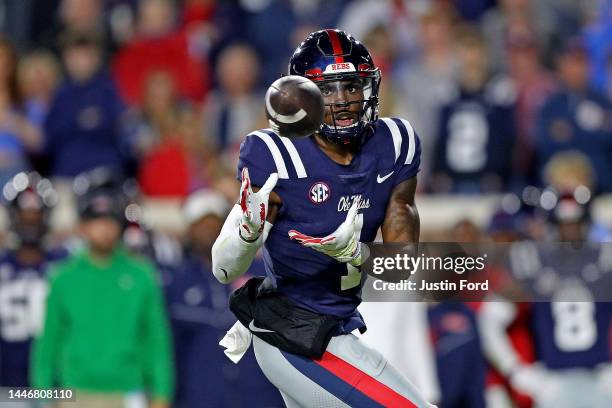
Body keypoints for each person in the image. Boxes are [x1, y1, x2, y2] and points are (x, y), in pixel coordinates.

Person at [211, 29, 436, 407]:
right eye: (328, 89)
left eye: (352, 86)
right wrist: (249, 230)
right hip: (294, 335)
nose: (344, 99)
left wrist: (357, 256)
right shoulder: (277, 154)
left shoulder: (394, 142)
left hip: (336, 330)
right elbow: (223, 268)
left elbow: (400, 265)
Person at [31, 186, 174, 408]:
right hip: (74, 393)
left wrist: (161, 395)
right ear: (82, 227)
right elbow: (47, 345)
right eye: (96, 221)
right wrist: (43, 399)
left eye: (110, 221)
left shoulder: (141, 275)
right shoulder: (63, 278)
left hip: (128, 392)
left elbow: (156, 341)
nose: (104, 229)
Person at [0, 173, 65, 391]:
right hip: (6, 386)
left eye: (36, 215)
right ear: (12, 217)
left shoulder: (65, 267)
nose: (30, 223)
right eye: (24, 215)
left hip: (57, 388)